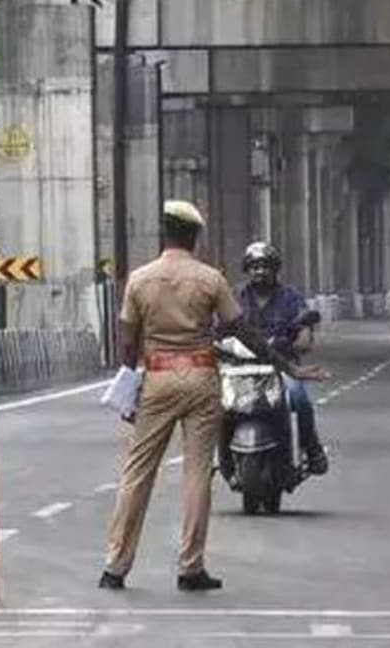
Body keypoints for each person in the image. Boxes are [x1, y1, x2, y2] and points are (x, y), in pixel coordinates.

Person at [99, 201, 328, 593]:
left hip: (158, 377)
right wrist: (289, 369)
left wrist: (131, 385)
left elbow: (126, 343)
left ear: (164, 233)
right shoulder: (210, 279)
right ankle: (190, 567)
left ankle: (116, 567)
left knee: (137, 471)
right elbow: (243, 332)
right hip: (202, 376)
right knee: (196, 473)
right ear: (195, 237)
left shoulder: (139, 279)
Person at [233, 241, 327, 474]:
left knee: (299, 399)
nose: (260, 271)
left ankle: (311, 449)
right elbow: (219, 323)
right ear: (247, 269)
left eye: (265, 266)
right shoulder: (236, 297)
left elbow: (305, 326)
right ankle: (216, 456)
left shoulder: (290, 297)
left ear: (275, 269)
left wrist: (304, 337)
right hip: (240, 369)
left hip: (282, 368)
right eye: (254, 266)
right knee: (215, 405)